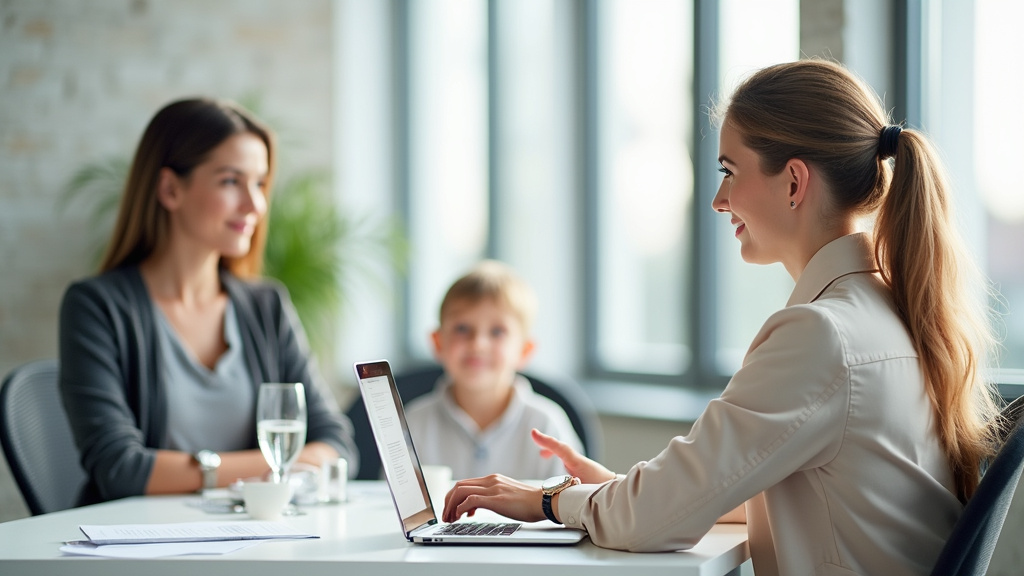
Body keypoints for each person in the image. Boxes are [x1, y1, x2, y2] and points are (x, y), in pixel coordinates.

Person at [441, 59, 1000, 576]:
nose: (718, 198)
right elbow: (732, 493)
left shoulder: (821, 336)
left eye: (729, 171)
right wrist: (616, 493)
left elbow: (652, 522)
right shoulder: (885, 311)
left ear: (794, 182)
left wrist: (548, 499)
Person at [59, 98, 359, 506]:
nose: (255, 205)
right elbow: (119, 468)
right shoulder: (97, 307)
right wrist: (276, 465)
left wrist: (199, 471)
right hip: (142, 539)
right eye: (231, 181)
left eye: (259, 184)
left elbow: (335, 443)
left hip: (256, 535)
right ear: (170, 189)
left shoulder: (265, 306)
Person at [404, 260, 583, 480]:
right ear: (438, 342)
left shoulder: (547, 424)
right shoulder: (415, 423)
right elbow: (392, 498)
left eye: (497, 332)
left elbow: (572, 496)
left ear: (524, 350)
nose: (478, 344)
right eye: (462, 329)